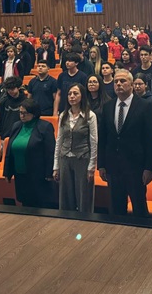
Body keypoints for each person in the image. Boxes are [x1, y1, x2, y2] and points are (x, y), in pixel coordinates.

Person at [98, 69, 152, 217]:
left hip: (136, 167)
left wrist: (149, 168)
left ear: (131, 84)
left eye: (122, 81)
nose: (118, 84)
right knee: (116, 210)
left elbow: (150, 139)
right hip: (113, 167)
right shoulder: (108, 106)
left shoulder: (145, 106)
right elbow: (103, 138)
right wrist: (102, 164)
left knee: (139, 209)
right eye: (116, 81)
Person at [53, 84, 98, 213]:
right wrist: (56, 165)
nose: (72, 96)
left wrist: (92, 166)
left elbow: (94, 142)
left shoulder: (90, 115)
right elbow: (59, 140)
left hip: (82, 159)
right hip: (65, 158)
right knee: (65, 197)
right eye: (69, 94)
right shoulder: (64, 115)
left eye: (75, 93)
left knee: (84, 196)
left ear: (82, 96)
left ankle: (85, 222)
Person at [3, 99, 56, 208]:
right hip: (20, 173)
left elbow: (50, 152)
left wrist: (49, 173)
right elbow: (9, 151)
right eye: (20, 113)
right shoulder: (16, 126)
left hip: (38, 175)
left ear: (34, 113)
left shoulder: (45, 127)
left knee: (39, 205)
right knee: (24, 204)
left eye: (25, 113)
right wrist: (7, 172)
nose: (22, 116)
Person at [133, 73, 152, 144]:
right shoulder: (131, 99)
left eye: (140, 84)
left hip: (148, 136)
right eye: (135, 84)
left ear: (146, 84)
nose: (137, 86)